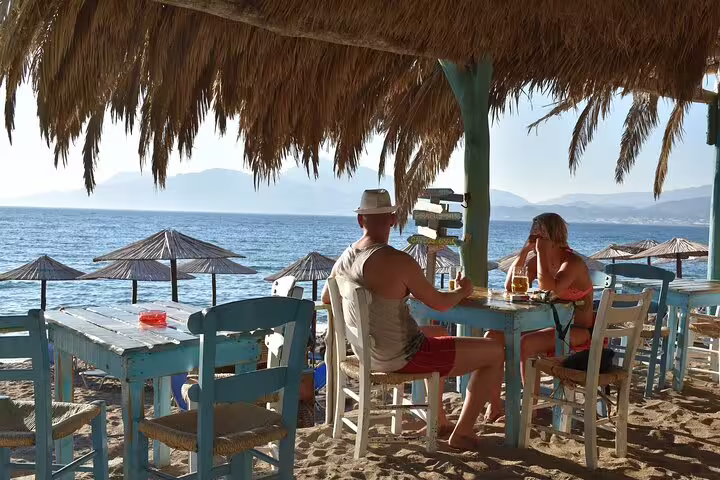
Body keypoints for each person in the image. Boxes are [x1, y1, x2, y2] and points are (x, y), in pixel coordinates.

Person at [321, 189, 504, 450]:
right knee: (495, 352)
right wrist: (463, 291)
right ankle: (463, 432)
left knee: (435, 332)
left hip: (367, 354)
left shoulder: (344, 259)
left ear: (360, 220)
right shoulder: (398, 261)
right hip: (404, 355)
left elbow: (329, 298)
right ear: (393, 219)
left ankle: (439, 420)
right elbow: (440, 304)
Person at [488, 213, 594, 384]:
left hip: (578, 332)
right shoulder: (539, 260)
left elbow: (549, 290)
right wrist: (524, 252)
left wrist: (541, 252)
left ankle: (533, 406)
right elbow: (510, 286)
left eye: (538, 234)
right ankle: (494, 404)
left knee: (527, 343)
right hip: (548, 326)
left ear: (552, 235)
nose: (534, 238)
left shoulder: (573, 262)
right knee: (494, 336)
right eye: (532, 235)